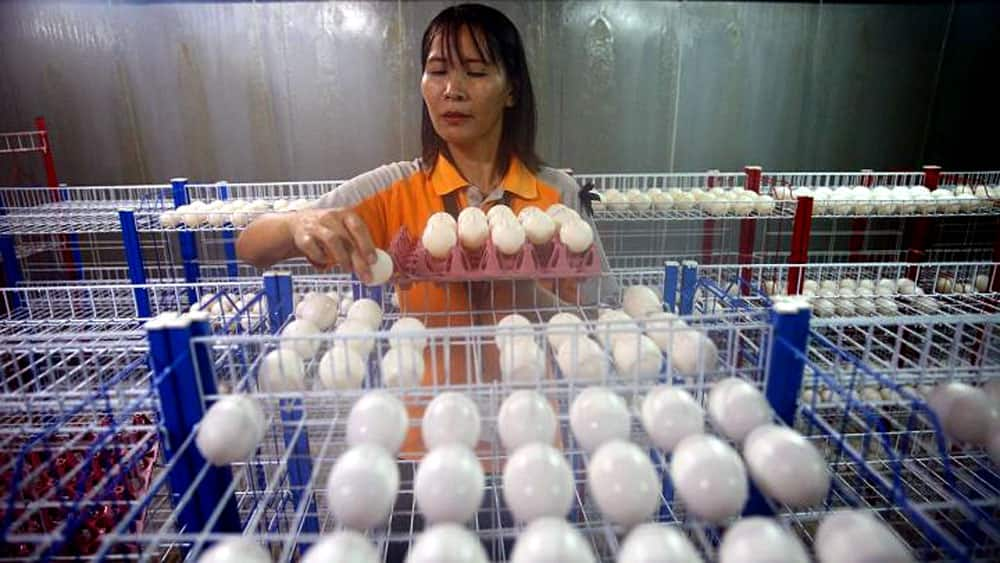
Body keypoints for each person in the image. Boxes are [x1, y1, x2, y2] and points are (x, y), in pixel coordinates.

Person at [237, 0, 612, 411]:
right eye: (437, 72)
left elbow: (603, 314)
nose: (452, 89)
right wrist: (298, 223)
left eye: (475, 71)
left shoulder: (558, 193)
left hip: (534, 434)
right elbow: (251, 247)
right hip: (427, 437)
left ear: (511, 90)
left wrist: (530, 288)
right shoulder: (394, 189)